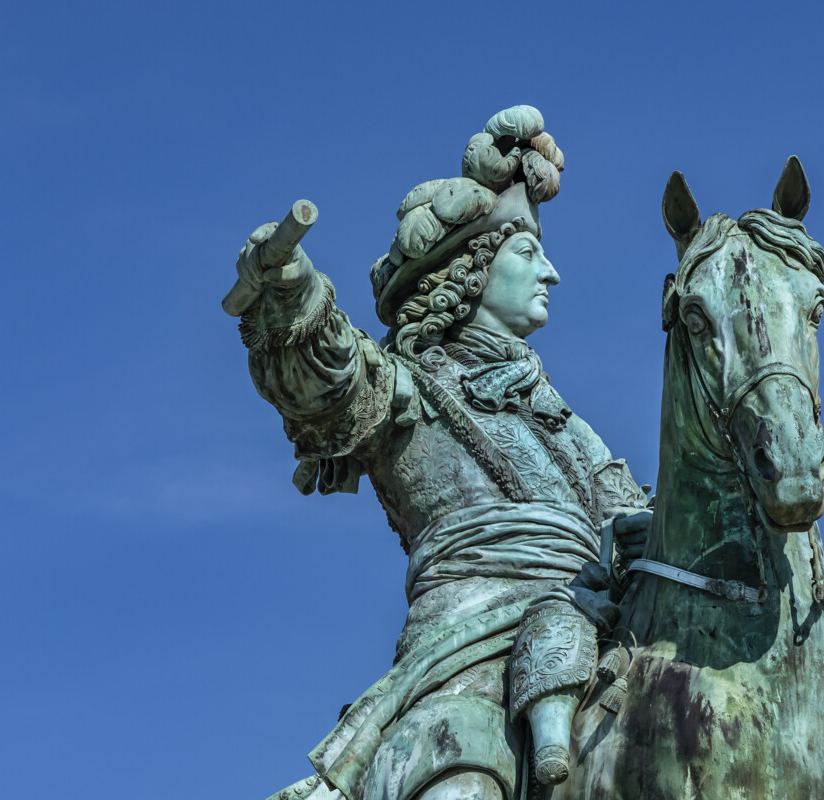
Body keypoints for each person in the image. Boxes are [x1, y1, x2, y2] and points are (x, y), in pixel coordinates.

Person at [227, 106, 650, 800]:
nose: (552, 272)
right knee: (464, 780)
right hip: (466, 654)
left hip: (597, 630)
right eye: (527, 252)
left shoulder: (563, 420)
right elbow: (328, 383)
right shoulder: (408, 388)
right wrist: (293, 294)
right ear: (471, 272)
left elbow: (631, 518)